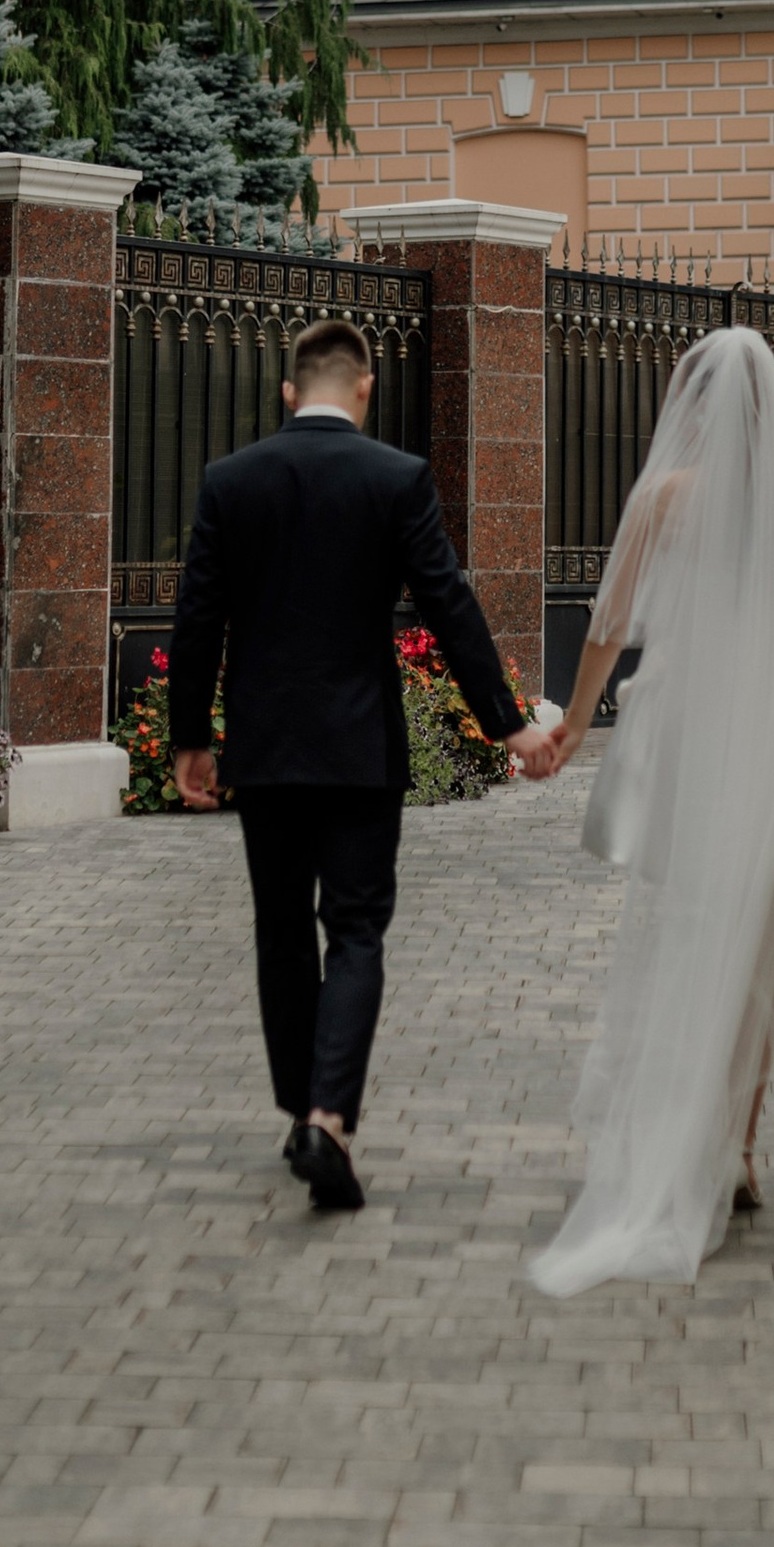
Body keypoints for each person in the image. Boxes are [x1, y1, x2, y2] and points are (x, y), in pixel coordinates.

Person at [525, 323, 774, 1296]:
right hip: (772, 723)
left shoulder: (661, 496)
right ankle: (735, 1145)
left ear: (688, 404)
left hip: (684, 722)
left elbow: (608, 622)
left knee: (688, 924)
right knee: (757, 941)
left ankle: (679, 1129)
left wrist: (570, 722)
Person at [167, 313, 563, 1213]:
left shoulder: (232, 481)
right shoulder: (397, 479)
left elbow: (198, 616)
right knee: (355, 931)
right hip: (358, 749)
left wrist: (193, 738)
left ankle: (299, 1109)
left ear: (288, 391)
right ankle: (327, 1116)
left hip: (265, 751)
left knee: (280, 930)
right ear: (367, 388)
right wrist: (507, 726)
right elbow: (449, 605)